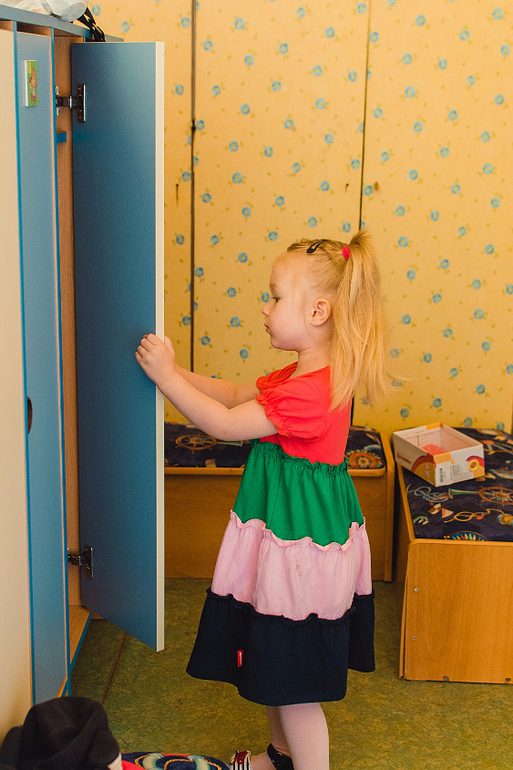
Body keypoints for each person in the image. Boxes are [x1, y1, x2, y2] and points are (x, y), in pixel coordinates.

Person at [136, 230, 391, 770]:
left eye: (275, 297)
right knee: (276, 662)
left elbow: (225, 424)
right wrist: (172, 373)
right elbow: (233, 395)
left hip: (302, 547)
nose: (265, 307)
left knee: (293, 680)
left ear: (318, 311)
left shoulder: (309, 393)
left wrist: (165, 380)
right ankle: (279, 757)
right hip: (288, 537)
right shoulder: (300, 374)